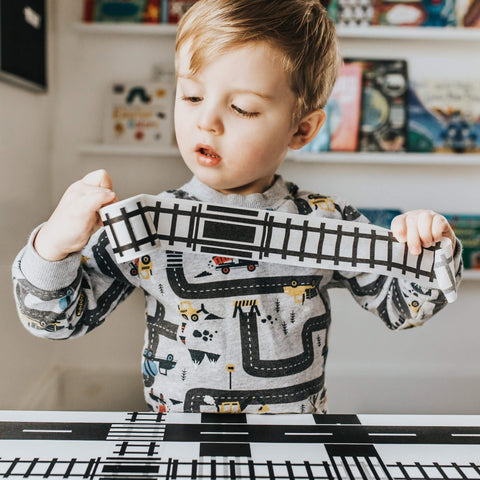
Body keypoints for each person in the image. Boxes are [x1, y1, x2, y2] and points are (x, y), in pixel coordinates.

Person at [12, 0, 462, 414]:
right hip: (181, 444)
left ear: (301, 130)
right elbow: (57, 322)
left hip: (294, 445)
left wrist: (428, 248)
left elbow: (405, 309)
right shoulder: (146, 223)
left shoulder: (326, 222)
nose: (205, 120)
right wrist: (53, 246)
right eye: (191, 96)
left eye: (243, 108)